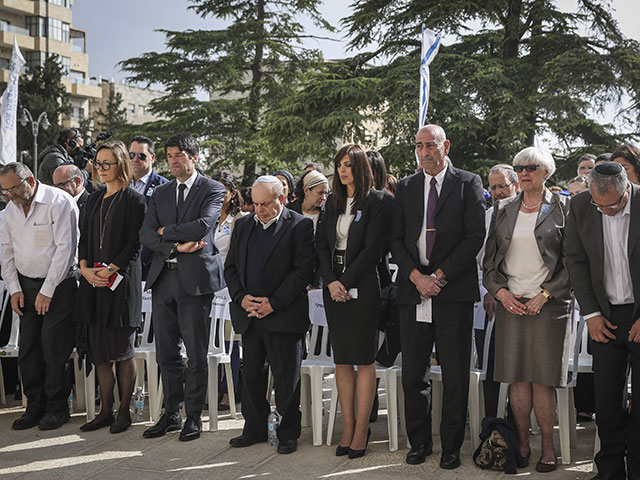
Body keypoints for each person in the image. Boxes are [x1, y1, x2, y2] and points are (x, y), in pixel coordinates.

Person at [390, 124, 485, 469]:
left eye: (430, 145)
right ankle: (419, 443)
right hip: (413, 292)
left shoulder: (467, 183)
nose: (424, 152)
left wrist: (439, 277)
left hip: (452, 292)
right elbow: (396, 239)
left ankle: (451, 447)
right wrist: (417, 277)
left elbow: (475, 236)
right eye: (418, 146)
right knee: (414, 373)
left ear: (446, 146)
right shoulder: (406, 186)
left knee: (455, 373)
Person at [483, 146, 571, 473]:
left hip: (549, 305)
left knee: (542, 381)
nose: (523, 173)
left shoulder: (564, 208)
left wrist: (546, 294)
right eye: (519, 168)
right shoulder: (503, 208)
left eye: (531, 168)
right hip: (512, 303)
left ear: (546, 172)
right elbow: (489, 264)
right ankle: (521, 443)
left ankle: (548, 447)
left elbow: (574, 262)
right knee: (517, 379)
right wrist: (501, 293)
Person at [139, 133, 226, 442]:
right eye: (170, 155)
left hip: (195, 282)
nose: (174, 160)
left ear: (194, 157)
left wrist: (166, 232)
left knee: (196, 353)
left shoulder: (212, 189)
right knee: (166, 353)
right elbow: (146, 235)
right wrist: (175, 246)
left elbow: (203, 225)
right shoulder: (160, 193)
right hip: (164, 279)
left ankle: (193, 417)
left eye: (180, 155)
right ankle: (171, 414)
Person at [224, 176, 317, 455]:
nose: (260, 209)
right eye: (255, 203)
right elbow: (231, 268)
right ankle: (254, 427)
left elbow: (303, 272)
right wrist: (242, 299)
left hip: (283, 315)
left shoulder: (300, 225)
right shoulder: (242, 225)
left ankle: (288, 433)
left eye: (266, 203)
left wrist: (273, 303)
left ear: (282, 199)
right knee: (252, 376)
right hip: (250, 314)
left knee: (286, 380)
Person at [565, 161, 640, 480]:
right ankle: (609, 471)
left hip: (638, 313)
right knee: (606, 402)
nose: (605, 212)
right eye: (600, 205)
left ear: (626, 192)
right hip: (603, 315)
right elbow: (575, 261)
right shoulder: (582, 205)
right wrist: (592, 313)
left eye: (612, 206)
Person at [316, 144, 388, 458]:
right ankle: (347, 427)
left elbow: (373, 250)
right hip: (333, 288)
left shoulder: (378, 201)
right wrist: (331, 282)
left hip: (363, 288)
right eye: (339, 165)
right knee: (341, 360)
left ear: (360, 167)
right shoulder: (331, 203)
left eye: (348, 164)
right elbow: (319, 246)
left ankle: (362, 430)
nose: (342, 170)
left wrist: (344, 282)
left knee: (364, 359)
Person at [0, 162, 79, 430]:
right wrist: (14, 288)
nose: (10, 196)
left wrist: (47, 290)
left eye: (14, 189)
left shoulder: (59, 201)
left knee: (53, 349)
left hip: (58, 285)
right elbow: (6, 252)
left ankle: (57, 408)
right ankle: (34, 406)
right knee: (29, 351)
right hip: (26, 285)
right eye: (5, 192)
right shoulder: (9, 210)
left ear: (30, 180)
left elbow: (65, 249)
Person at [74, 140, 146, 433]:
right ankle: (105, 410)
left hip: (120, 283)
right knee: (100, 350)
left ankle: (124, 412)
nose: (101, 169)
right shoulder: (92, 198)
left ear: (121, 165)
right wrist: (84, 268)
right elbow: (85, 238)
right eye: (98, 163)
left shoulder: (134, 200)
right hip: (93, 283)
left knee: (122, 350)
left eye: (107, 164)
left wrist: (111, 268)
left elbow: (135, 243)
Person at [477, 164, 520, 418]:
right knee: (490, 364)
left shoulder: (529, 212)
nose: (497, 192)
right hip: (492, 301)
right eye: (492, 187)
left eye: (502, 186)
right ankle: (492, 422)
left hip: (523, 299)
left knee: (519, 370)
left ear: (515, 184)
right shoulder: (488, 215)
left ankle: (516, 422)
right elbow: (481, 260)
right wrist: (489, 291)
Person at [210, 171, 247, 411]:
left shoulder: (239, 219)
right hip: (208, 287)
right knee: (211, 343)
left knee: (229, 343)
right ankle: (211, 389)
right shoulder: (208, 217)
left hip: (228, 288)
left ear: (232, 193)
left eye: (222, 190)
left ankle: (229, 392)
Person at [129, 136, 168, 281]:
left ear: (152, 157)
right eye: (131, 155)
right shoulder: (120, 184)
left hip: (149, 263)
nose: (135, 159)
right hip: (119, 263)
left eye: (141, 156)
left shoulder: (164, 187)